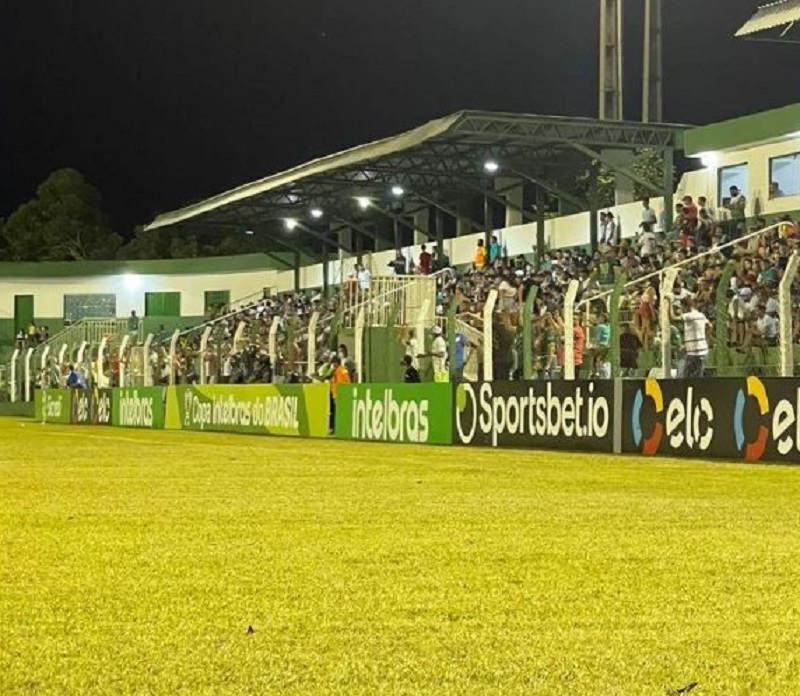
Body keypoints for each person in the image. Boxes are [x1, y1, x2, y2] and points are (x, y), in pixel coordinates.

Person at [671, 296, 710, 379]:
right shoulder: (701, 315)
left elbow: (673, 318)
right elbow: (710, 326)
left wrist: (669, 303)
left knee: (687, 377)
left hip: (694, 353)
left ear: (685, 307)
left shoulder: (689, 316)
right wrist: (704, 338)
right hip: (702, 350)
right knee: (697, 375)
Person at [329, 355, 351, 434]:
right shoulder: (336, 371)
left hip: (340, 394)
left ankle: (339, 428)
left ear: (336, 363)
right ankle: (336, 428)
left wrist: (343, 391)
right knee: (336, 412)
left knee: (339, 413)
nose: (333, 365)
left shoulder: (341, 370)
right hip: (336, 394)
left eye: (333, 363)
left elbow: (347, 382)